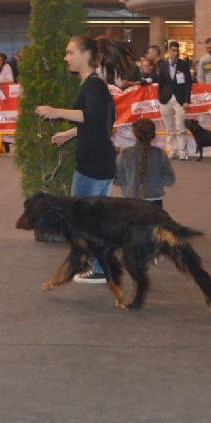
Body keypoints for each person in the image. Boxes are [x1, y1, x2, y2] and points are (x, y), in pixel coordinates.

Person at [35, 35, 119, 284]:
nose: (66, 57)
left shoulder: (93, 85)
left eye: (70, 52)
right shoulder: (94, 84)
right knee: (95, 219)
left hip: (93, 163)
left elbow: (92, 116)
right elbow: (100, 121)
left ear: (85, 55)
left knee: (83, 220)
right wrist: (70, 134)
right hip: (100, 160)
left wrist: (54, 112)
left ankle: (99, 269)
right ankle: (102, 267)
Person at [114, 117, 175, 208]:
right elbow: (169, 180)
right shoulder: (160, 153)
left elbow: (117, 180)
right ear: (153, 134)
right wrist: (155, 182)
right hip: (154, 200)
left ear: (134, 133)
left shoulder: (125, 153)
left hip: (129, 199)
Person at [157, 41, 192, 160]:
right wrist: (160, 97)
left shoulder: (184, 64)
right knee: (169, 127)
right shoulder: (162, 65)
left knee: (180, 126)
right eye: (173, 50)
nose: (175, 53)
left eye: (177, 51)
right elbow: (160, 83)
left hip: (180, 99)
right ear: (168, 51)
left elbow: (188, 84)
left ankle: (183, 151)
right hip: (166, 98)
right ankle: (172, 150)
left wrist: (187, 100)